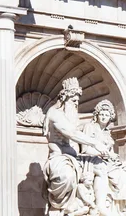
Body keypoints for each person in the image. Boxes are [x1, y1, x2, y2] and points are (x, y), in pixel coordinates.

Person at [43, 78, 108, 215]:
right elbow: (71, 133)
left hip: (76, 158)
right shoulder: (55, 114)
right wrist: (95, 143)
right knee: (66, 176)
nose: (76, 104)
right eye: (74, 101)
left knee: (101, 166)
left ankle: (101, 207)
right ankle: (58, 208)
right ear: (65, 98)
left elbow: (79, 132)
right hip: (59, 158)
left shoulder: (70, 117)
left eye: (78, 102)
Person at [80, 100, 126, 215]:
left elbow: (110, 153)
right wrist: (100, 153)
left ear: (110, 117)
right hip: (90, 160)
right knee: (101, 169)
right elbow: (85, 149)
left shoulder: (107, 133)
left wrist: (112, 156)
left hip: (107, 162)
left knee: (125, 174)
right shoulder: (89, 127)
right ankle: (100, 205)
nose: (103, 117)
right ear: (96, 115)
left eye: (106, 115)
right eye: (101, 114)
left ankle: (120, 208)